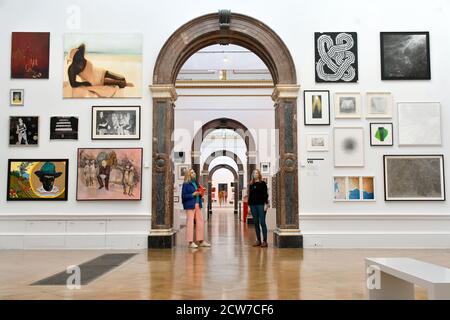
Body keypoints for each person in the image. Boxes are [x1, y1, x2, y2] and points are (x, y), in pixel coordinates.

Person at [181, 169, 211, 249]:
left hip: (198, 204)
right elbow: (184, 196)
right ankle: (190, 242)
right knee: (190, 223)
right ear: (188, 174)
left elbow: (198, 192)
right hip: (190, 205)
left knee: (200, 222)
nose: (194, 173)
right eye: (191, 172)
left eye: (194, 172)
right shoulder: (186, 184)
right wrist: (193, 194)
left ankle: (201, 241)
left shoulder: (196, 183)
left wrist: (201, 193)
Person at [248, 169, 269, 247]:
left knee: (262, 222)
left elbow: (265, 194)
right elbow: (250, 196)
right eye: (254, 173)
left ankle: (265, 241)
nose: (255, 174)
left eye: (256, 173)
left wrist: (266, 204)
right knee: (256, 223)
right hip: (253, 205)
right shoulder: (251, 184)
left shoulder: (263, 183)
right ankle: (258, 240)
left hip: (261, 205)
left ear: (259, 174)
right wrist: (249, 206)